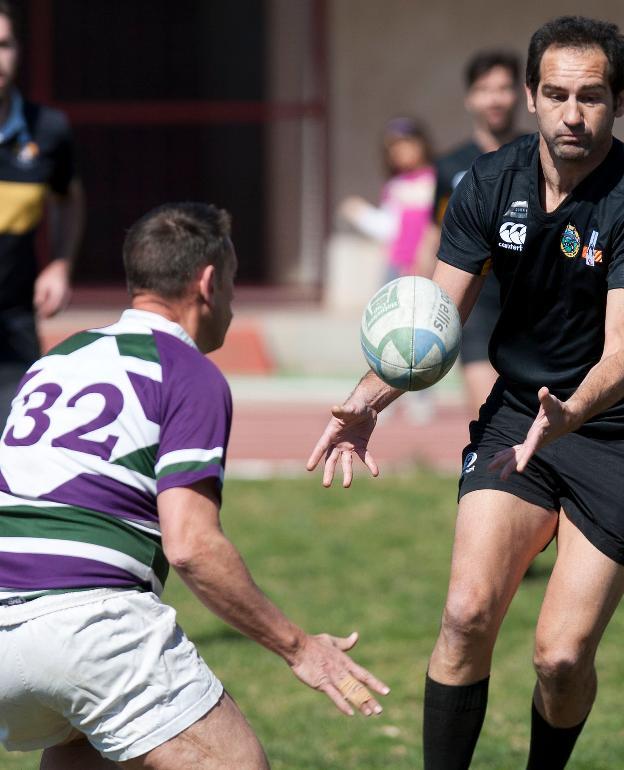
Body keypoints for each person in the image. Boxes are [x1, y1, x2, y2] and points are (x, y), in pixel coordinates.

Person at [308, 17, 624, 770]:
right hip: (521, 411)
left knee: (560, 657)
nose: (572, 114)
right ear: (530, 96)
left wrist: (574, 412)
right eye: (555, 94)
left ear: (621, 100)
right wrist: (365, 404)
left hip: (621, 428)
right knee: (465, 614)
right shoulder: (488, 182)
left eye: (591, 96)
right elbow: (433, 320)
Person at [0, 203, 388, 769]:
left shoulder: (56, 360)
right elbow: (191, 545)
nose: (231, 300)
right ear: (208, 281)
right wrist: (300, 648)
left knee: (85, 747)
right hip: (92, 624)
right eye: (230, 281)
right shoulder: (185, 371)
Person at [0, 0, 85, 426]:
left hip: (14, 326)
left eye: (3, 44)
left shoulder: (49, 130)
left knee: (12, 453)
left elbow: (68, 198)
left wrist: (61, 264)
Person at [434, 50, 523, 412]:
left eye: (504, 88)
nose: (495, 98)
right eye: (486, 88)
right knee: (489, 416)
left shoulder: (542, 155)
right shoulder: (450, 166)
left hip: (531, 302)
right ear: (470, 97)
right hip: (475, 305)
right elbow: (433, 235)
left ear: (521, 94)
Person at [340, 117, 438, 281]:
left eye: (404, 142)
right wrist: (361, 213)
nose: (398, 150)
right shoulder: (394, 186)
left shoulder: (438, 179)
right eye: (392, 146)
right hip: (397, 267)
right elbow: (390, 229)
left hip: (430, 267)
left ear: (421, 143)